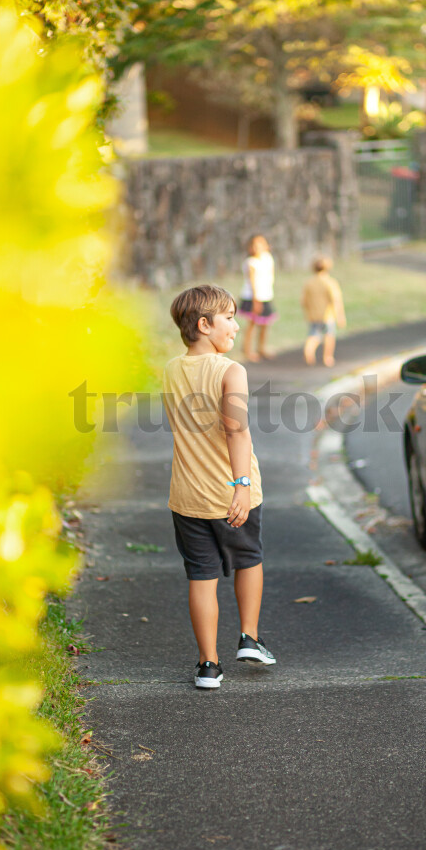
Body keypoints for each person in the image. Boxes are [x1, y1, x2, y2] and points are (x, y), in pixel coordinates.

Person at [162, 284, 276, 689]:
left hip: (187, 496)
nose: (237, 326)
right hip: (231, 495)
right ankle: (249, 637)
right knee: (248, 560)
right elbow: (236, 430)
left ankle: (208, 665)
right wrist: (241, 485)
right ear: (204, 324)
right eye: (229, 318)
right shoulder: (231, 370)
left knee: (201, 576)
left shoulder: (173, 369)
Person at [301, 256, 347, 367]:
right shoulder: (330, 282)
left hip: (313, 315)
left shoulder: (309, 282)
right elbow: (335, 300)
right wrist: (340, 316)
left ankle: (309, 351)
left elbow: (303, 300)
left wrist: (308, 311)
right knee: (329, 336)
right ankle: (328, 357)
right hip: (328, 315)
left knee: (313, 336)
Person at [238, 234, 277, 362]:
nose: (257, 248)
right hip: (253, 297)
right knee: (252, 324)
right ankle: (247, 350)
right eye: (254, 245)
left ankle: (261, 348)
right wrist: (256, 301)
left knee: (265, 323)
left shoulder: (267, 258)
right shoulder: (251, 263)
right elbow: (253, 283)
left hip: (266, 295)